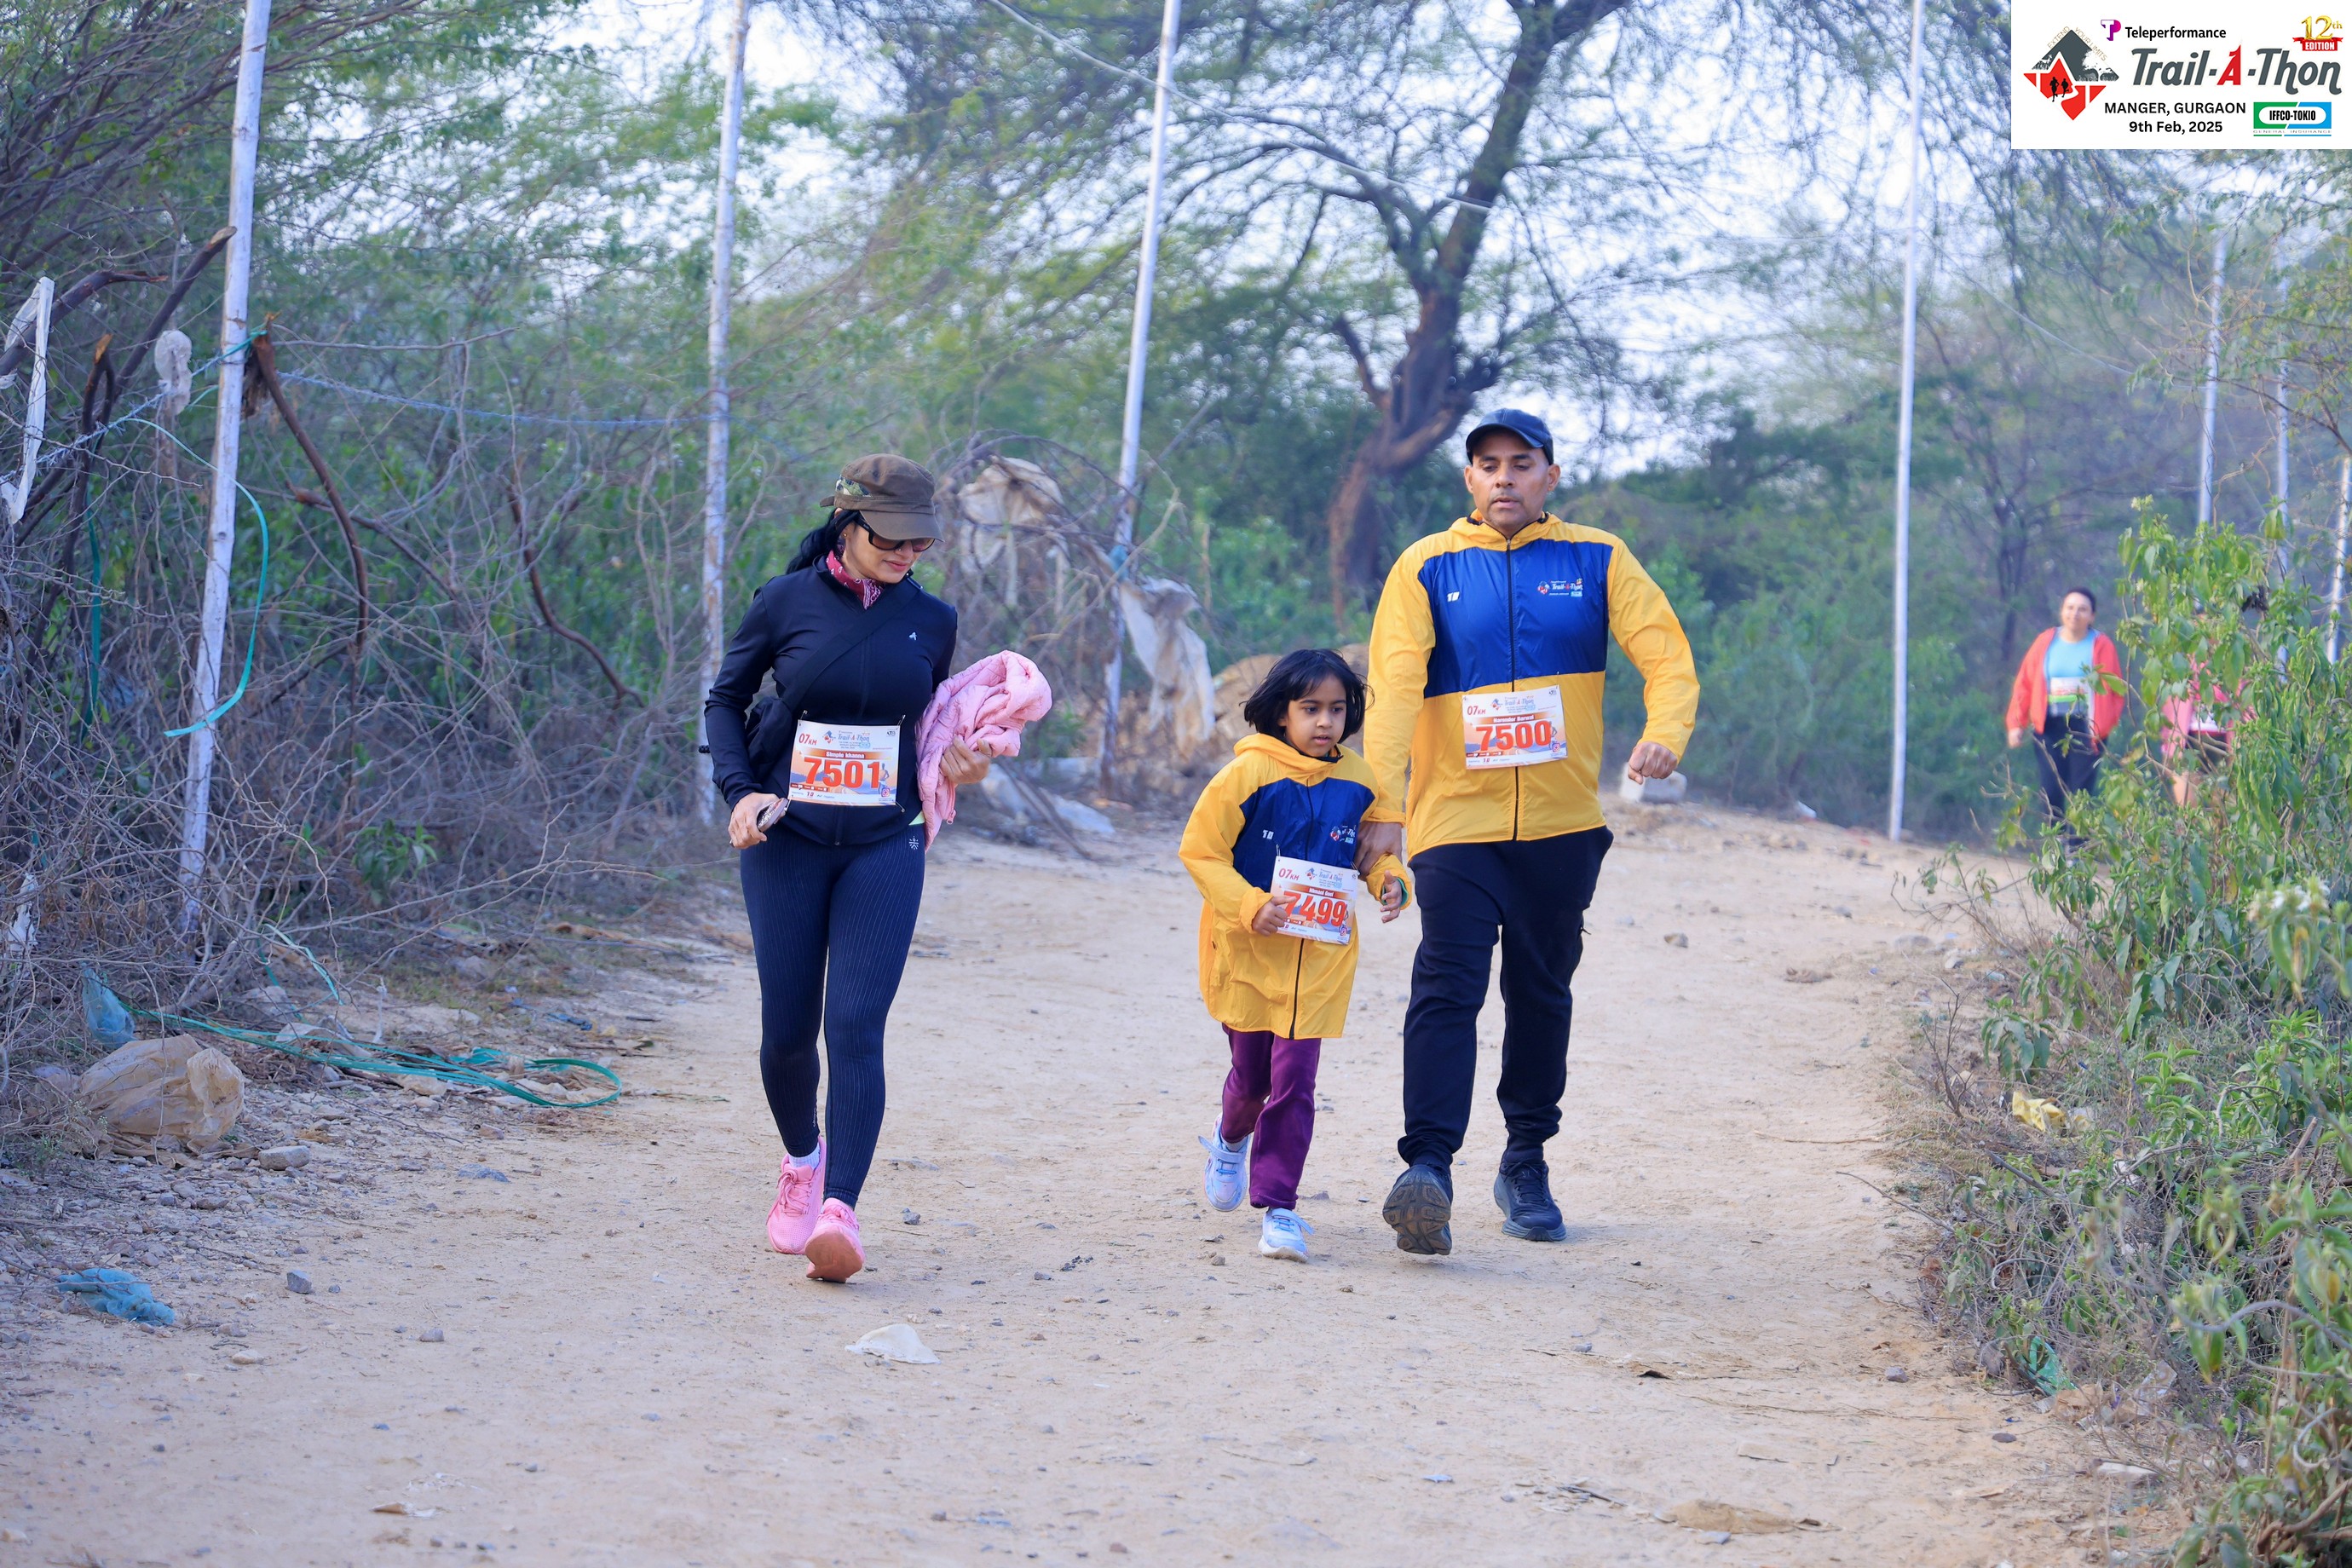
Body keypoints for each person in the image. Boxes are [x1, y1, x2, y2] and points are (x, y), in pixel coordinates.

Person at [1354, 409, 1698, 1255]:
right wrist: (1383, 808)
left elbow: (1666, 655)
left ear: (1550, 475)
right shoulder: (1425, 567)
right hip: (1455, 822)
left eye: (1520, 462)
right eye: (1487, 464)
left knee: (1541, 995)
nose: (1503, 477)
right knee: (1447, 984)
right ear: (1468, 479)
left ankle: (1525, 1161)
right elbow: (1393, 694)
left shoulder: (1599, 558)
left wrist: (1666, 732)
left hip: (1561, 825)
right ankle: (1428, 1167)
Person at [704, 454, 994, 1283]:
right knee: (787, 1032)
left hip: (885, 843)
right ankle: (804, 1159)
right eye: (890, 539)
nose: (906, 554)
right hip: (788, 839)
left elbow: (932, 730)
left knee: (857, 1027)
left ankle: (841, 1210)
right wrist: (741, 794)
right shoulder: (783, 602)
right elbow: (725, 701)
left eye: (920, 542)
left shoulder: (933, 620)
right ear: (847, 523)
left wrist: (965, 765)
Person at [1179, 650, 1409, 1263]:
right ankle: (1230, 1140)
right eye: (1310, 709)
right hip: (1250, 957)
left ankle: (1279, 1207)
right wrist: (1249, 905)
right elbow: (1200, 851)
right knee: (1252, 1081)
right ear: (1282, 713)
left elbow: (1371, 853)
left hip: (1320, 965)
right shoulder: (1245, 775)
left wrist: (1391, 882)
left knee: (1295, 1086)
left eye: (1337, 709)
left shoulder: (1360, 781)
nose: (1325, 722)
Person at [2005, 587, 2123, 828]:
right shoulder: (2045, 642)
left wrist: (2104, 726)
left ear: (2092, 616)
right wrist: (2016, 723)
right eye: (2070, 608)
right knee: (2051, 789)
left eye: (2082, 609)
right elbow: (2025, 683)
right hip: (2050, 725)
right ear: (2062, 611)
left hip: (2087, 727)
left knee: (2081, 791)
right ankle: (2054, 843)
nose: (2075, 614)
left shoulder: (2101, 645)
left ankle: (2078, 846)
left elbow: (2115, 690)